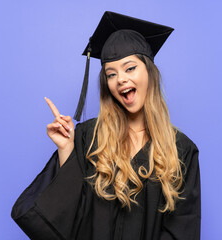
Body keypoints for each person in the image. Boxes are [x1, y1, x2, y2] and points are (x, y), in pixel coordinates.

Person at [11, 11, 201, 240]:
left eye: (130, 68)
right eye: (111, 74)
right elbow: (70, 218)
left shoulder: (181, 150)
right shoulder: (88, 137)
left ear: (150, 73)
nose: (120, 79)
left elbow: (182, 231)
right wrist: (66, 151)